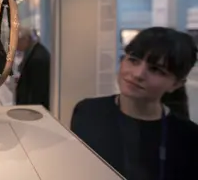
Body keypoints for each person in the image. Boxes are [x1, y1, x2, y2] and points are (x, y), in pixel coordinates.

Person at [71, 27, 198, 180]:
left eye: (156, 70)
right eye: (133, 60)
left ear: (176, 84)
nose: (138, 74)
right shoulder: (87, 111)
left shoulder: (188, 137)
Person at [15, 36, 51, 109]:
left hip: (34, 112)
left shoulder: (37, 59)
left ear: (25, 39)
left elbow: (36, 94)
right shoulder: (34, 51)